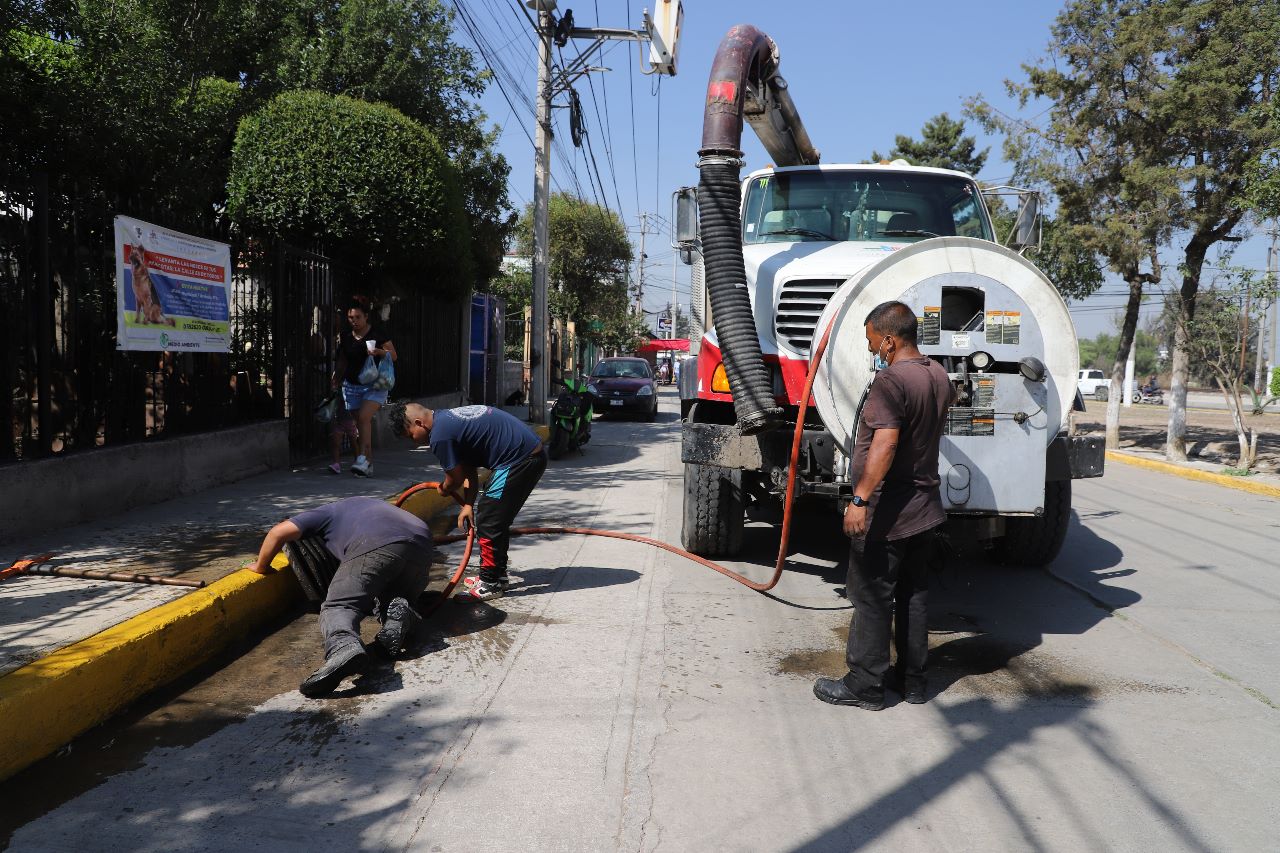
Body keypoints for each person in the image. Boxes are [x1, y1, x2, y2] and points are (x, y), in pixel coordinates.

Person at [814, 301, 954, 710]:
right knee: (913, 595)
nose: (873, 349)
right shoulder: (938, 374)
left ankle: (866, 685)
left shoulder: (891, 382)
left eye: (873, 341)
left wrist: (859, 499)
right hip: (926, 506)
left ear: (890, 340)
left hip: (890, 510)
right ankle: (913, 683)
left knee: (872, 596)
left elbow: (887, 443)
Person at [248, 496, 435, 697]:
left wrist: (260, 566)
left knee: (339, 605)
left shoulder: (324, 513)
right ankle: (401, 612)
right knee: (387, 599)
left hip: (375, 541)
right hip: (423, 547)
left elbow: (278, 532)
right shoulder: (361, 505)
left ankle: (343, 646)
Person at [387, 402, 546, 601]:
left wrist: (443, 489)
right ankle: (497, 575)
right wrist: (468, 505)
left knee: (489, 519)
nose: (413, 441)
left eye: (410, 435)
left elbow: (455, 479)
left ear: (419, 423)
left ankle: (490, 582)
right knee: (494, 518)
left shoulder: (440, 436)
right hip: (524, 455)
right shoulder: (445, 419)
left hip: (519, 459)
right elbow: (469, 468)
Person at [331, 295, 396, 476]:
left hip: (374, 386)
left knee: (363, 418)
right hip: (351, 386)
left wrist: (379, 352)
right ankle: (368, 464)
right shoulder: (345, 336)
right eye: (351, 318)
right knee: (361, 424)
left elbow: (394, 355)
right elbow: (343, 358)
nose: (354, 321)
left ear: (366, 316)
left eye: (358, 317)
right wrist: (337, 375)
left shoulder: (377, 333)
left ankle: (361, 458)